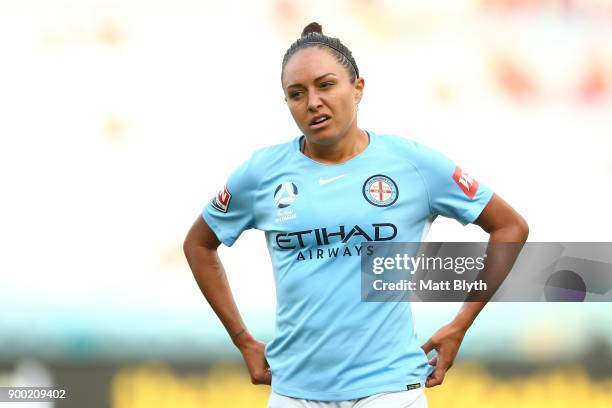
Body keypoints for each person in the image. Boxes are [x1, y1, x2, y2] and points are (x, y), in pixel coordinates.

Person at [183, 22, 529, 408]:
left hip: (389, 391)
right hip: (293, 393)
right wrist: (242, 339)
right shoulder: (262, 173)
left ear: (358, 88)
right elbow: (198, 244)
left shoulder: (411, 164)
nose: (313, 102)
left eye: (325, 85)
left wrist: (460, 325)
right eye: (297, 94)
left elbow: (510, 227)